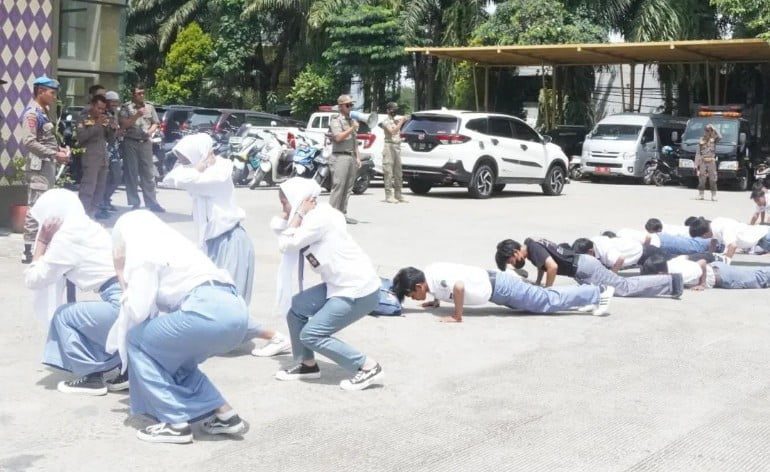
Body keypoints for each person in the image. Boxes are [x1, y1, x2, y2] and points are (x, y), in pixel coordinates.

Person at [105, 211, 248, 444]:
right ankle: (225, 414)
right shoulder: (175, 243)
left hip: (204, 309)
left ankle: (175, 423)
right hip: (235, 310)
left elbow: (137, 309)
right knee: (174, 357)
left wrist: (121, 274)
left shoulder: (144, 250)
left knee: (135, 340)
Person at [163, 133, 290, 356]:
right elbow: (170, 179)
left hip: (231, 241)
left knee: (227, 302)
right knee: (205, 295)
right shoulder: (197, 170)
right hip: (212, 243)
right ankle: (226, 337)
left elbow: (191, 179)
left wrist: (198, 169)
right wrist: (197, 167)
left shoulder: (221, 168)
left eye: (185, 159)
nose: (182, 164)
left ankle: (276, 338)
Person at [272, 178, 383, 391]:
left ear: (298, 200)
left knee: (311, 335)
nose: (283, 208)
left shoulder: (318, 218)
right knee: (296, 309)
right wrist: (293, 215)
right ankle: (307, 364)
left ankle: (368, 366)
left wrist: (297, 214)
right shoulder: (315, 215)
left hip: (356, 290)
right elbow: (279, 229)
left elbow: (287, 243)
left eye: (285, 203)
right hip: (338, 284)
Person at [23, 189, 126, 395]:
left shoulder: (66, 239)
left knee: (64, 316)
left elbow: (33, 280)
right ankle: (122, 367)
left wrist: (42, 242)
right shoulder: (88, 226)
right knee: (82, 314)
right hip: (131, 297)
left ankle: (91, 376)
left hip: (119, 301)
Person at [392, 263, 613, 320]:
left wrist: (457, 315)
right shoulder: (429, 274)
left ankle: (599, 292)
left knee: (547, 302)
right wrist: (435, 302)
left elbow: (458, 287)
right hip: (498, 288)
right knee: (544, 302)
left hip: (502, 288)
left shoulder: (436, 279)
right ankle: (588, 296)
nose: (414, 299)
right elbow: (447, 288)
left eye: (412, 295)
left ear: (419, 286)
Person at [495, 238, 683, 298]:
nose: (513, 263)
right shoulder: (532, 244)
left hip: (586, 267)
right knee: (612, 291)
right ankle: (669, 282)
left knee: (624, 288)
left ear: (514, 251)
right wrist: (538, 283)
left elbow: (551, 268)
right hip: (582, 268)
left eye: (511, 260)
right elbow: (543, 266)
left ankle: (671, 281)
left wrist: (548, 290)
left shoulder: (533, 248)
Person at [20, 76, 71, 264]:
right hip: (38, 166)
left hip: (47, 165)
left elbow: (46, 138)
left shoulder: (44, 112)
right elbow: (29, 141)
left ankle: (39, 246)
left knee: (46, 206)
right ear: (40, 91)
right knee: (36, 206)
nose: (54, 96)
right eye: (52, 92)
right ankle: (28, 249)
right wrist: (53, 154)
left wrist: (60, 150)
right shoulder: (32, 113)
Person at [119, 84, 164, 212]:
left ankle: (152, 202)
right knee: (132, 173)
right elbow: (123, 125)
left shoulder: (149, 106)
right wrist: (136, 115)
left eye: (143, 93)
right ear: (133, 94)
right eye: (139, 93)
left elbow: (156, 123)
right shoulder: (126, 108)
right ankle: (134, 202)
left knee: (148, 173)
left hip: (145, 142)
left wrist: (150, 132)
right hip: (131, 141)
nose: (142, 95)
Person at [642, 252, 770, 290]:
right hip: (718, 270)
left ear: (660, 273)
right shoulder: (669, 264)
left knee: (760, 277)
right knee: (757, 273)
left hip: (722, 275)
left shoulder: (682, 274)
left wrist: (702, 284)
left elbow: (702, 262)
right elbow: (685, 257)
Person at [76, 94, 114, 219]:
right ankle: (82, 215)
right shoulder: (84, 119)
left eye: (103, 109)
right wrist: (97, 124)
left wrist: (112, 129)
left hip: (103, 158)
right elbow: (81, 138)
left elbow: (111, 140)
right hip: (90, 158)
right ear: (92, 106)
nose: (101, 111)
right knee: (88, 189)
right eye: (98, 108)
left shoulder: (104, 119)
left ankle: (92, 215)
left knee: (99, 190)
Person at [329, 94, 361, 224]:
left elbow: (354, 141)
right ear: (341, 106)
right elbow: (338, 138)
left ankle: (342, 213)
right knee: (339, 187)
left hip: (351, 156)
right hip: (340, 156)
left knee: (348, 187)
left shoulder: (350, 120)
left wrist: (358, 157)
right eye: (348, 105)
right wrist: (352, 128)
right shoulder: (336, 119)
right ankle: (331, 215)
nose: (350, 107)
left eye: (351, 105)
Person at [689, 216, 770, 258]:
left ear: (704, 235)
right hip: (760, 239)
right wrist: (709, 255)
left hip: (765, 237)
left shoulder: (723, 228)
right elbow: (713, 241)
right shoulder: (714, 224)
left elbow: (733, 246)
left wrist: (726, 263)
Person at [379, 102, 408, 203]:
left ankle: (398, 194)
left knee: (398, 172)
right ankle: (389, 196)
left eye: (395, 109)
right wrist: (401, 122)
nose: (394, 111)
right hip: (389, 146)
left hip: (397, 147)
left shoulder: (395, 121)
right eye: (392, 109)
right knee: (388, 172)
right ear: (388, 110)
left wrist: (402, 121)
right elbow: (393, 131)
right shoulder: (386, 121)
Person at [101, 91, 123, 212]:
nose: (115, 104)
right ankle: (102, 202)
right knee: (105, 177)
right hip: (104, 149)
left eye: (116, 101)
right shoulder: (102, 114)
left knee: (117, 176)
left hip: (114, 149)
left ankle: (106, 198)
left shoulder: (114, 114)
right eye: (112, 101)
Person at [695, 123, 721, 201]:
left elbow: (720, 137)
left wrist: (715, 128)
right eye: (706, 130)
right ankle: (701, 194)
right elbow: (698, 153)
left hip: (711, 161)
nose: (708, 132)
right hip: (703, 161)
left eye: (709, 130)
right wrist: (696, 164)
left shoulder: (713, 139)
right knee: (702, 179)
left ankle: (713, 195)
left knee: (713, 179)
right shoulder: (701, 140)